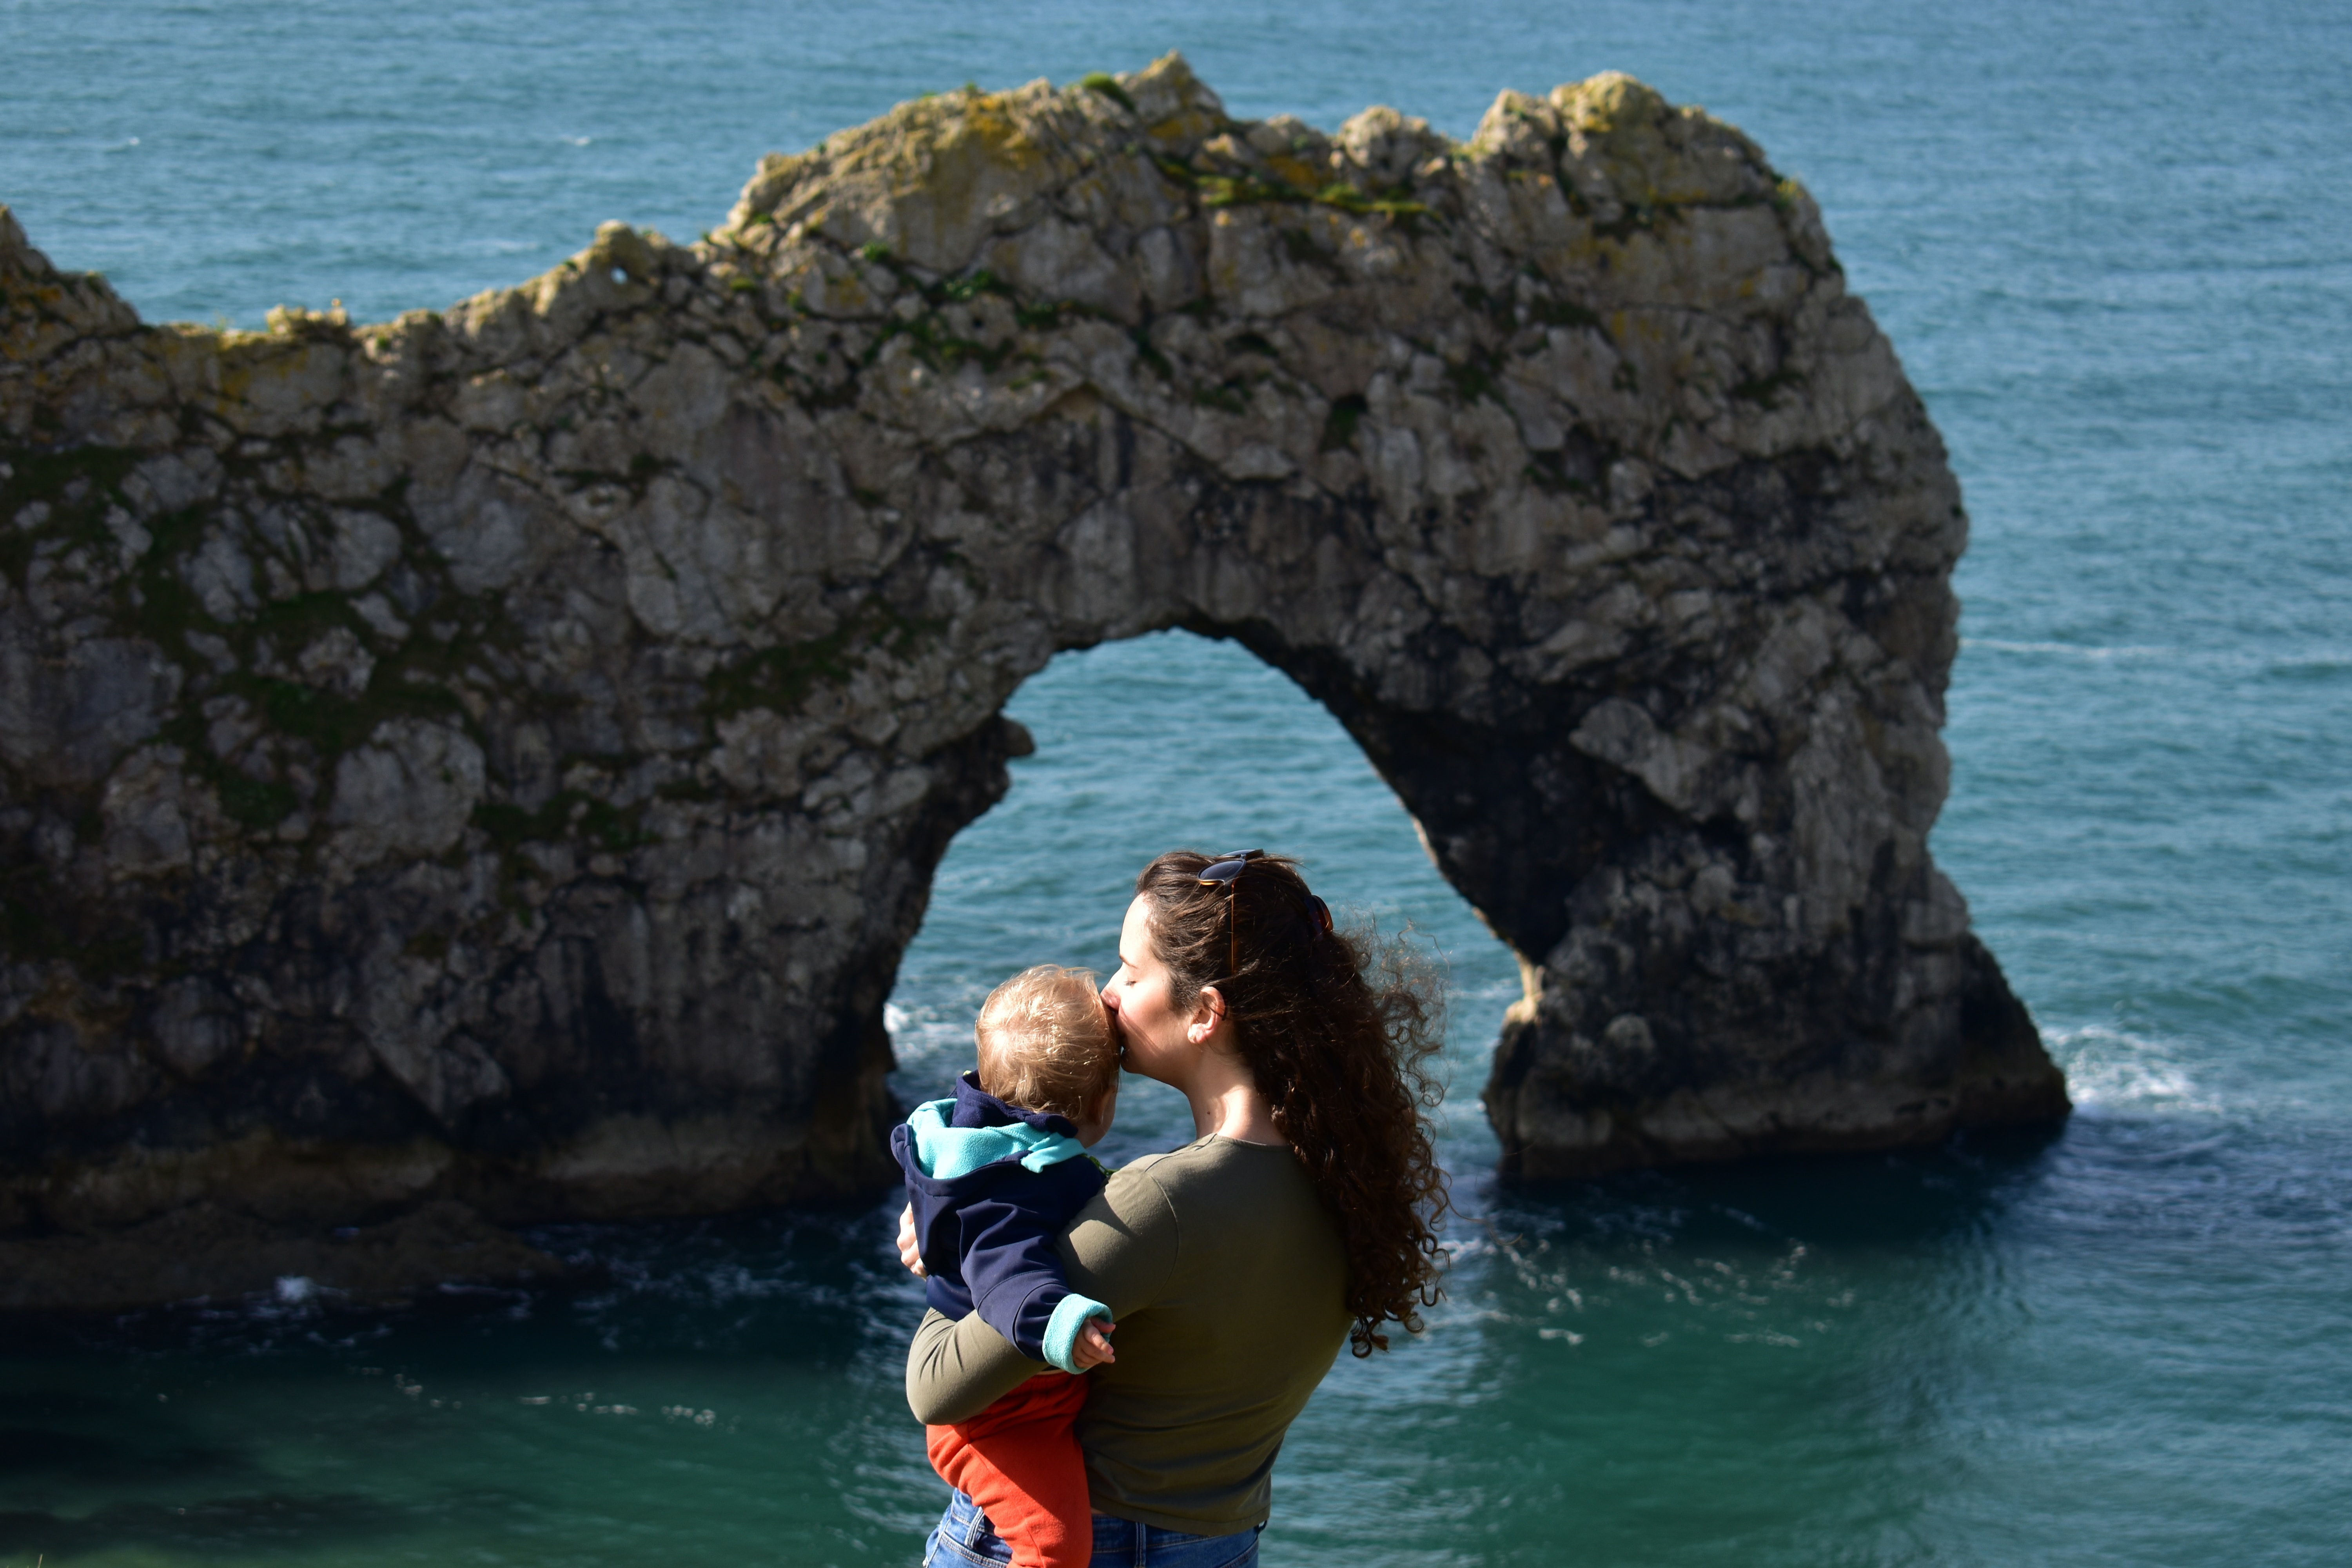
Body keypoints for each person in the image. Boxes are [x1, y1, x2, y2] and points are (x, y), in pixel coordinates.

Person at [903, 850, 1449, 1568]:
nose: (1107, 994)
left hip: (1067, 1542)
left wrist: (953, 1243)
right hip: (1222, 1543)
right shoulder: (1347, 1177)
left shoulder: (1160, 1205)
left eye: (1131, 974)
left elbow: (935, 1386)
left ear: (1205, 1012)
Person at [894, 965, 1126, 1568]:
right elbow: (1007, 1277)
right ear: (1103, 1104)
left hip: (1020, 1403)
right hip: (1002, 1419)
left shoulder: (987, 1153)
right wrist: (1064, 1324)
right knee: (1054, 1547)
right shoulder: (1016, 1191)